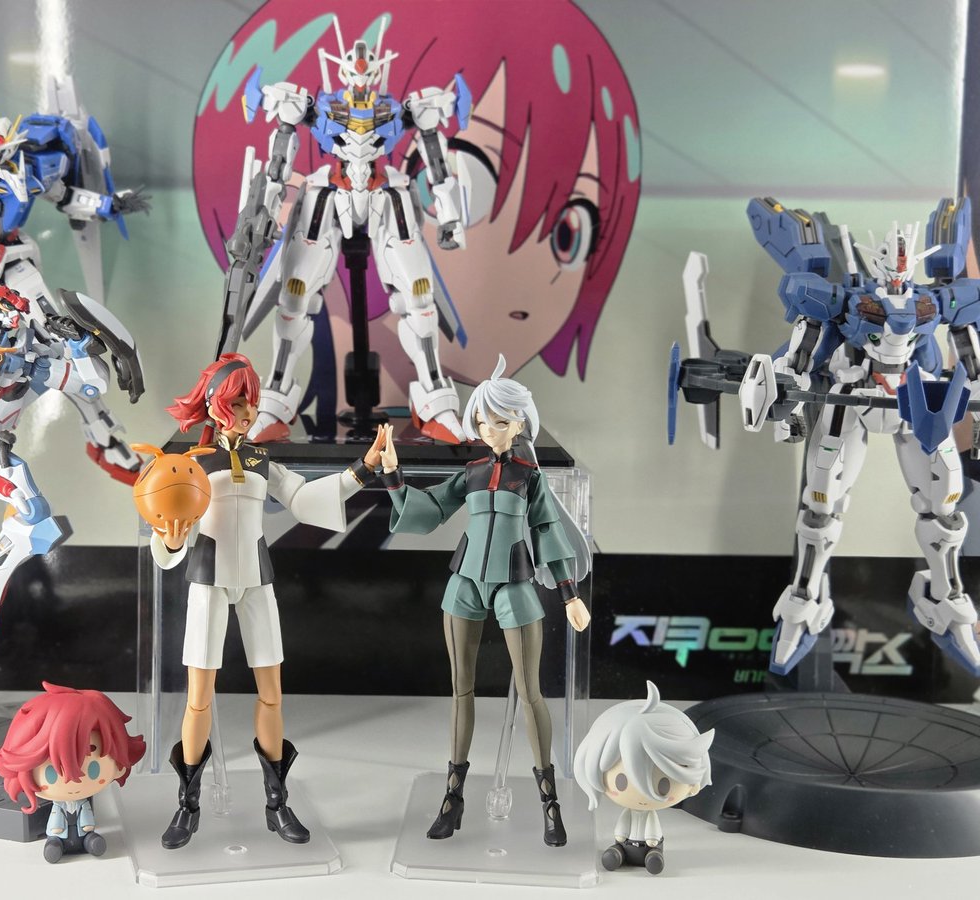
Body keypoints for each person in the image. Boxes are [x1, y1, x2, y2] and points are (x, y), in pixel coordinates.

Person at [193, 1, 641, 425]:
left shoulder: (400, 109)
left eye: (368, 73)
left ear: (379, 71)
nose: (362, 81)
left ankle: (434, 399)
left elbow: (436, 154)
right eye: (355, 73)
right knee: (296, 297)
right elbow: (280, 155)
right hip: (330, 194)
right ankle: (275, 400)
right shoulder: (319, 106)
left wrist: (450, 217)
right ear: (342, 71)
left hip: (386, 197)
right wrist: (267, 210)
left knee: (418, 298)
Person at [146, 353, 384, 848]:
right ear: (216, 405)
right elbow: (169, 531)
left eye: (251, 403)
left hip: (258, 579)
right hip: (207, 580)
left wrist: (362, 469)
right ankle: (187, 804)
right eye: (238, 402)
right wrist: (169, 540)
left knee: (272, 693)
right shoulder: (191, 463)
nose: (248, 413)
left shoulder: (260, 459)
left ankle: (277, 804)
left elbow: (305, 499)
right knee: (198, 698)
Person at [376, 355, 591, 846]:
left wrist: (569, 595)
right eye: (481, 420)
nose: (487, 429)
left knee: (531, 691)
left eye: (498, 421)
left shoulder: (528, 476)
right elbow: (431, 508)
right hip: (465, 581)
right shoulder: (472, 471)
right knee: (461, 690)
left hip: (514, 583)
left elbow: (548, 532)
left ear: (519, 423)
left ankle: (550, 803)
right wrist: (393, 476)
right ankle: (452, 798)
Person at [0, 682, 146, 863]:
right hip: (59, 834)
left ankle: (90, 842)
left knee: (91, 838)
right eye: (52, 773)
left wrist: (87, 828)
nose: (73, 782)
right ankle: (55, 845)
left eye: (93, 771)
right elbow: (56, 819)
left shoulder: (84, 803)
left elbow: (87, 817)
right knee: (55, 841)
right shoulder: (58, 806)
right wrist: (56, 831)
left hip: (84, 832)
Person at [573, 681, 714, 875]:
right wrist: (620, 836)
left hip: (649, 846)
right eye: (621, 782)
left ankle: (652, 857)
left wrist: (652, 840)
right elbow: (623, 825)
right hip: (625, 844)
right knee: (615, 850)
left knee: (653, 855)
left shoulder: (650, 815)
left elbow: (652, 829)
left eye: (663, 785)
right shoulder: (628, 812)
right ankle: (617, 854)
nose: (642, 793)